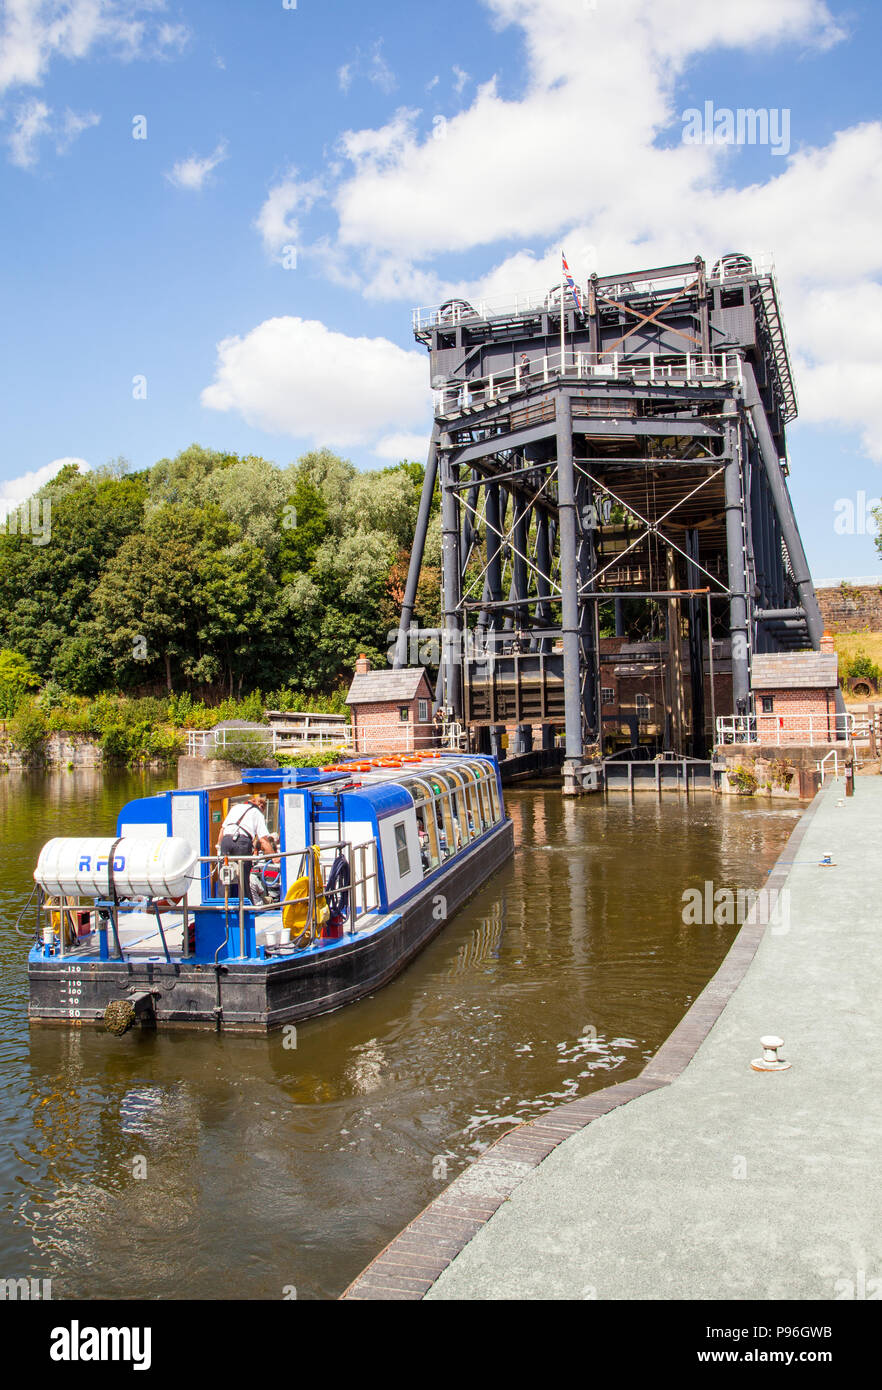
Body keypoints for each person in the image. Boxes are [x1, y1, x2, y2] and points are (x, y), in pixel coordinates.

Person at [218, 794, 274, 902]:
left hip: (226, 840)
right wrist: (275, 857)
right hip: (242, 842)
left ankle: (222, 905)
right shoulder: (257, 813)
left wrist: (219, 847)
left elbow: (222, 830)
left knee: (224, 875)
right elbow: (263, 839)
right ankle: (245, 906)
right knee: (243, 877)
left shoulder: (236, 808)